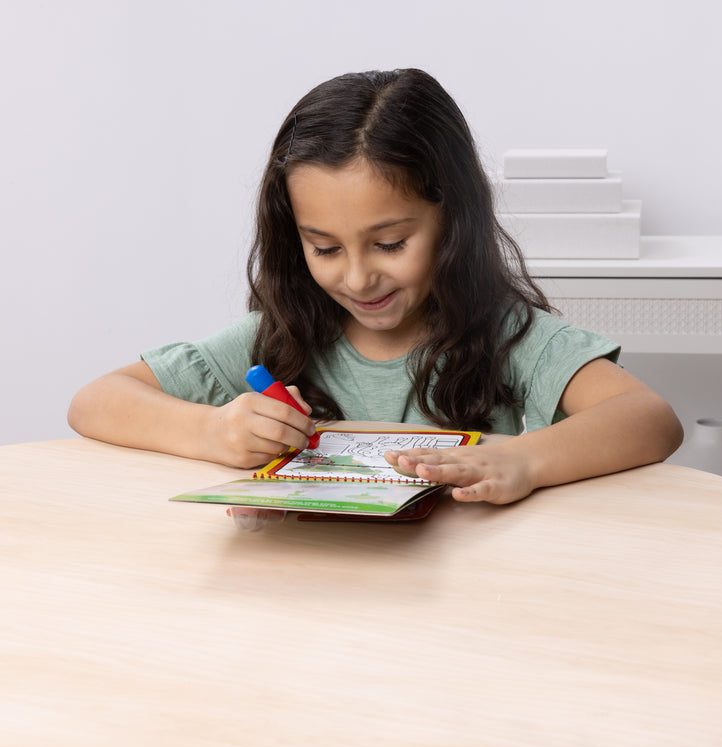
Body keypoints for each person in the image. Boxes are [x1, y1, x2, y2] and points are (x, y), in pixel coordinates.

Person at [68, 68, 683, 506]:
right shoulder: (282, 334)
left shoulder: (503, 334)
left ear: (454, 219)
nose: (358, 277)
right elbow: (95, 401)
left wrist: (524, 459)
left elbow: (649, 418)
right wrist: (211, 432)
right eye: (325, 248)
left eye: (390, 244)